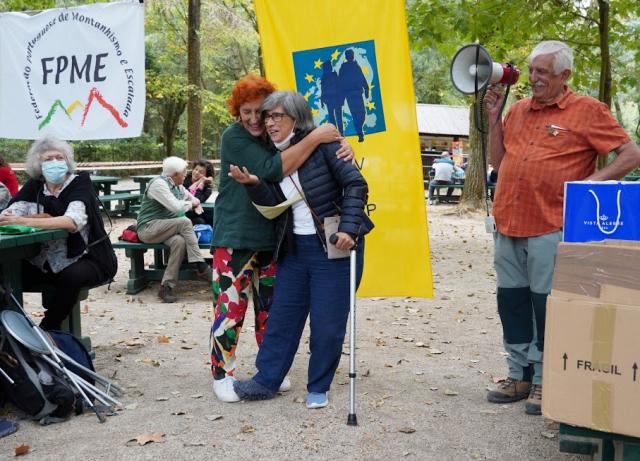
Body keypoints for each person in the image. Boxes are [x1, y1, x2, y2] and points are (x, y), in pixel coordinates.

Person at [483, 40, 640, 415]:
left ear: (564, 75)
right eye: (532, 70)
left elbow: (631, 154)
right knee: (512, 302)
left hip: (551, 225)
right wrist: (493, 120)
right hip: (508, 222)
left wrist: (587, 189)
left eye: (543, 73)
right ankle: (517, 374)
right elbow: (498, 162)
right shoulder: (518, 110)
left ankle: (543, 379)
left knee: (545, 306)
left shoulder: (588, 111)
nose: (533, 78)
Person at [210, 75, 352, 402]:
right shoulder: (234, 137)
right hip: (237, 237)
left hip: (275, 240)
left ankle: (270, 372)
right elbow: (274, 169)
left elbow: (307, 152)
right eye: (244, 111)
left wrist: (339, 143)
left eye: (260, 112)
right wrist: (317, 137)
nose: (252, 118)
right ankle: (222, 373)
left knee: (270, 311)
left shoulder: (274, 136)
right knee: (231, 307)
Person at [0, 137, 117, 331]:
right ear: (39, 164)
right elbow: (6, 215)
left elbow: (72, 222)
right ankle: (13, 332)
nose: (54, 162)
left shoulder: (80, 183)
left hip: (86, 257)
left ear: (67, 161)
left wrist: (25, 221)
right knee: (6, 272)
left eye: (59, 157)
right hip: (43, 262)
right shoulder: (35, 185)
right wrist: (39, 219)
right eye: (48, 159)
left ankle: (47, 331)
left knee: (70, 276)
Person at [136, 156, 212, 303]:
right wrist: (192, 204)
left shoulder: (177, 186)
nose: (186, 174)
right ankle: (201, 265)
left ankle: (166, 287)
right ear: (175, 173)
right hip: (148, 229)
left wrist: (194, 202)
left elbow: (192, 198)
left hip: (164, 228)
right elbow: (177, 207)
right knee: (184, 221)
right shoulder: (158, 184)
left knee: (179, 242)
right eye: (184, 172)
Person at [338, 49, 369, 142]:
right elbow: (341, 83)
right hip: (349, 94)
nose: (351, 56)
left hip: (357, 93)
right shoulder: (343, 68)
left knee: (362, 113)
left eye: (351, 54)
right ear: (347, 56)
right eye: (349, 55)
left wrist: (366, 89)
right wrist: (342, 97)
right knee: (355, 114)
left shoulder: (356, 66)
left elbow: (362, 77)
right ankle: (360, 134)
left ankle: (359, 129)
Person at [182, 159, 215, 225]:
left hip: (193, 213)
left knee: (202, 221)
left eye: (201, 172)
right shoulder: (184, 179)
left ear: (206, 176)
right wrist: (198, 181)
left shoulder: (207, 189)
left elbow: (197, 199)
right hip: (180, 209)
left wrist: (201, 184)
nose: (196, 172)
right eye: (196, 169)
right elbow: (184, 196)